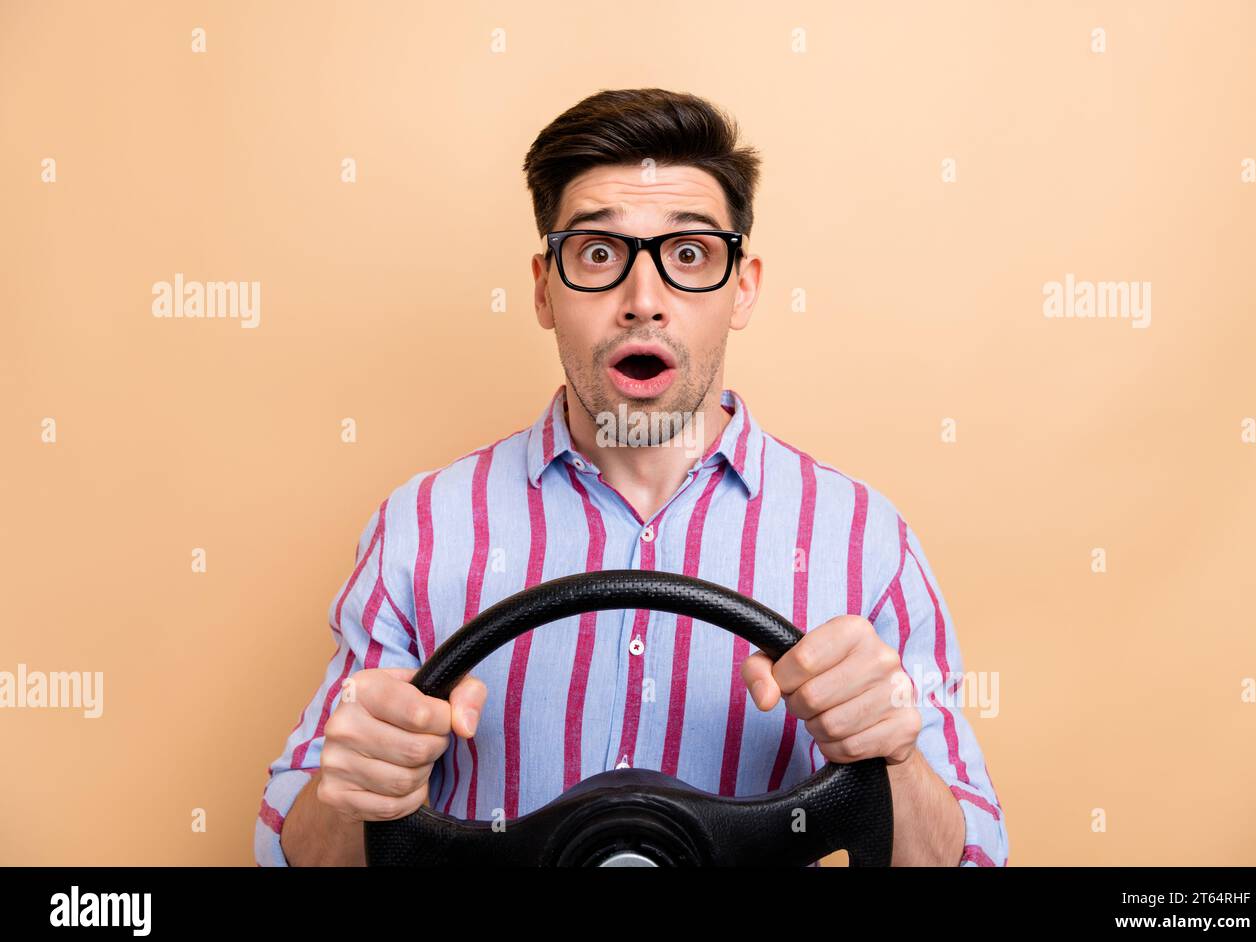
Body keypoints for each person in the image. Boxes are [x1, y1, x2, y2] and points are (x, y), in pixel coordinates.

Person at [255, 88, 1008, 867]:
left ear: (741, 286)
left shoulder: (863, 540)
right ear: (545, 288)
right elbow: (290, 854)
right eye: (599, 254)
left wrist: (891, 758)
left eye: (688, 255)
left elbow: (971, 859)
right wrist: (356, 786)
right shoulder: (424, 526)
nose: (642, 302)